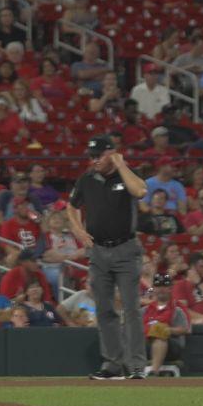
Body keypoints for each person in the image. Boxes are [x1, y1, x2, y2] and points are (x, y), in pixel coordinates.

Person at [65, 134, 149, 381]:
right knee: (104, 310)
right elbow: (71, 206)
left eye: (98, 155)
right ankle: (112, 365)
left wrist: (121, 164)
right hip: (98, 251)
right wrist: (78, 229)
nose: (94, 160)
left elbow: (141, 191)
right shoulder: (86, 179)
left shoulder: (125, 174)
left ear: (111, 152)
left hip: (125, 249)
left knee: (131, 309)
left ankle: (135, 366)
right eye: (91, 156)